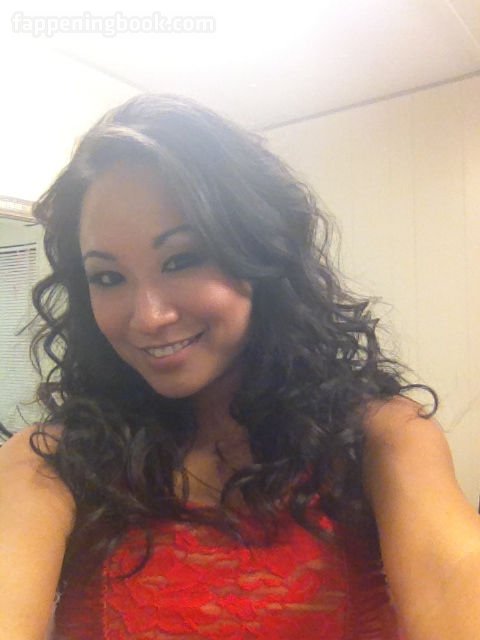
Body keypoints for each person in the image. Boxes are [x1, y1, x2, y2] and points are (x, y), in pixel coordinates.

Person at [0, 94, 479, 640]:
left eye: (181, 259)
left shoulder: (381, 437)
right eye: (108, 277)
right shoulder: (48, 461)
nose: (149, 317)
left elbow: (453, 573)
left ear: (260, 255)